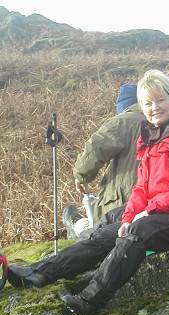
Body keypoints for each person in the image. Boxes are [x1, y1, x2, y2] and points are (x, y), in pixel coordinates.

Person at [7, 69, 169, 315]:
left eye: (160, 100)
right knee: (108, 232)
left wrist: (147, 212)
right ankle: (40, 272)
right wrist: (130, 215)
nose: (155, 107)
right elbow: (141, 188)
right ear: (141, 107)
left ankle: (89, 300)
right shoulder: (150, 139)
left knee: (138, 232)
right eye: (148, 103)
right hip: (159, 211)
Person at [64, 83, 145, 239]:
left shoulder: (126, 120)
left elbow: (96, 147)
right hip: (148, 202)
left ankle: (77, 225)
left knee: (96, 228)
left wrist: (81, 176)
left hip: (124, 204)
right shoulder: (161, 119)